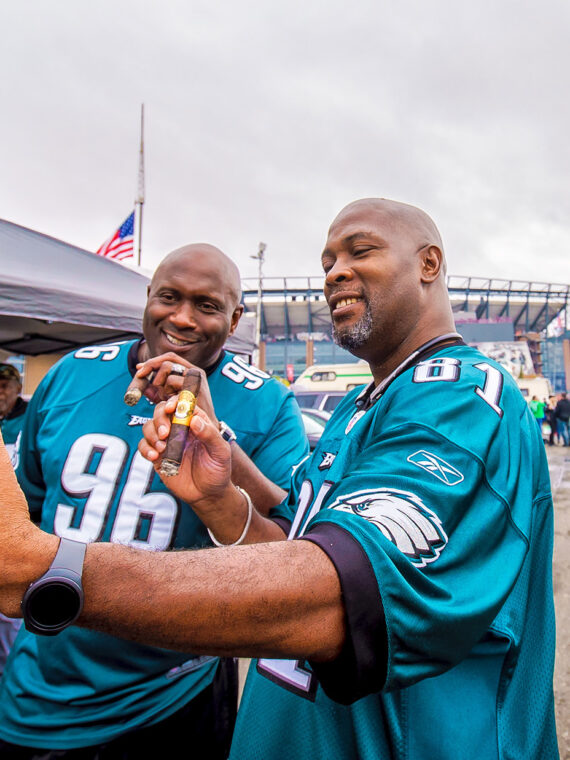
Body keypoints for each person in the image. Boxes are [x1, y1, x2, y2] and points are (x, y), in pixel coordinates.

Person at [0, 199, 558, 759]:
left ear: (429, 263)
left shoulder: (462, 390)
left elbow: (338, 597)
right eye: (327, 261)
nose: (335, 271)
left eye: (360, 251)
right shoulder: (362, 404)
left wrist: (51, 569)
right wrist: (221, 499)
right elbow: (296, 546)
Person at [0, 244, 308, 758]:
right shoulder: (72, 374)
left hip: (172, 692)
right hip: (41, 680)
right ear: (147, 298)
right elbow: (25, 508)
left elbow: (288, 535)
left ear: (234, 319)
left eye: (207, 306)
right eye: (169, 297)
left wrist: (218, 431)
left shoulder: (266, 401)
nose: (183, 318)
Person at [0, 363, 27, 675]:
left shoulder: (26, 421)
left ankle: (11, 673)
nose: (1, 393)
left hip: (16, 526)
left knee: (9, 612)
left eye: (5, 386)